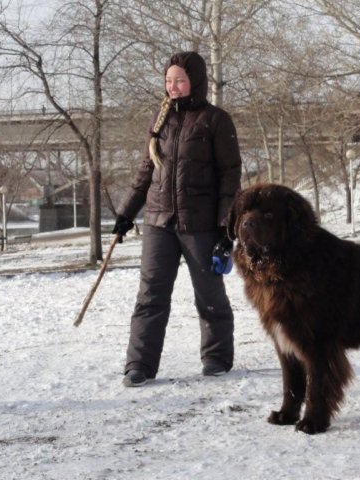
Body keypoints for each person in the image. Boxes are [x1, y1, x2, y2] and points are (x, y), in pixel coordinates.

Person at [112, 51, 241, 387]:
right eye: (169, 81)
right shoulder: (161, 119)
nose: (174, 86)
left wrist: (226, 226)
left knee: (209, 294)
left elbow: (230, 176)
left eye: (180, 80)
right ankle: (139, 364)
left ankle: (216, 356)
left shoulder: (216, 120)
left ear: (195, 81)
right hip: (158, 222)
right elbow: (145, 171)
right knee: (150, 295)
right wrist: (126, 212)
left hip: (200, 224)